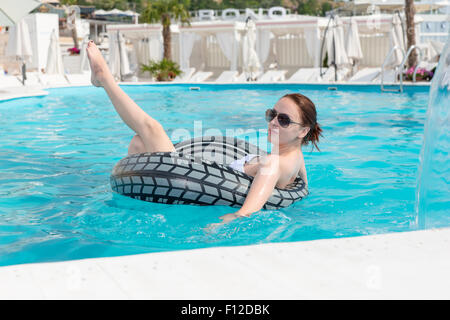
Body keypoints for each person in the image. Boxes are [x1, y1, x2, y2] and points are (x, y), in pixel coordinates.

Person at [86, 40, 322, 225]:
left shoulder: (273, 162)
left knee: (151, 129)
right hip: (199, 173)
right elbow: (303, 186)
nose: (272, 123)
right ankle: (135, 190)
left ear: (303, 131)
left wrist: (229, 221)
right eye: (272, 114)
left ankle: (105, 79)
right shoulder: (297, 156)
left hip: (192, 185)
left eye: (283, 120)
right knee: (139, 142)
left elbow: (250, 210)